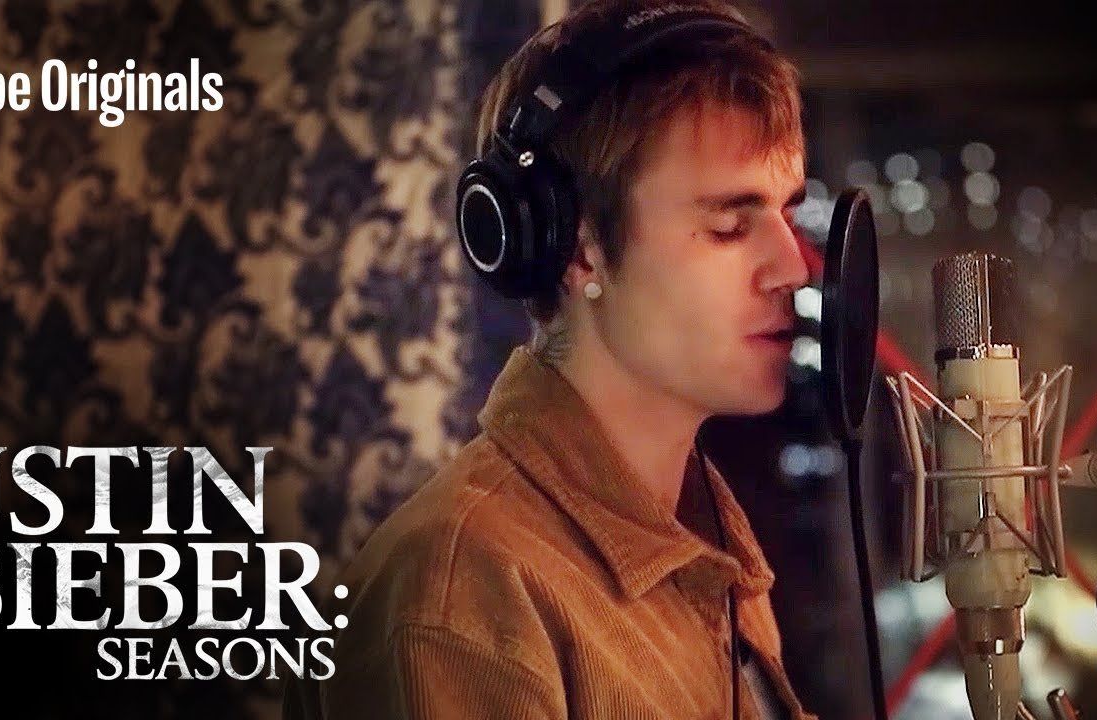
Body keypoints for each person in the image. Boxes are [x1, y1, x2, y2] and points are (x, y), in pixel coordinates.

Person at [283, 0, 817, 717]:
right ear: (578, 247)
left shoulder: (707, 540)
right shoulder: (462, 600)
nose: (792, 266)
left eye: (788, 213)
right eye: (728, 224)